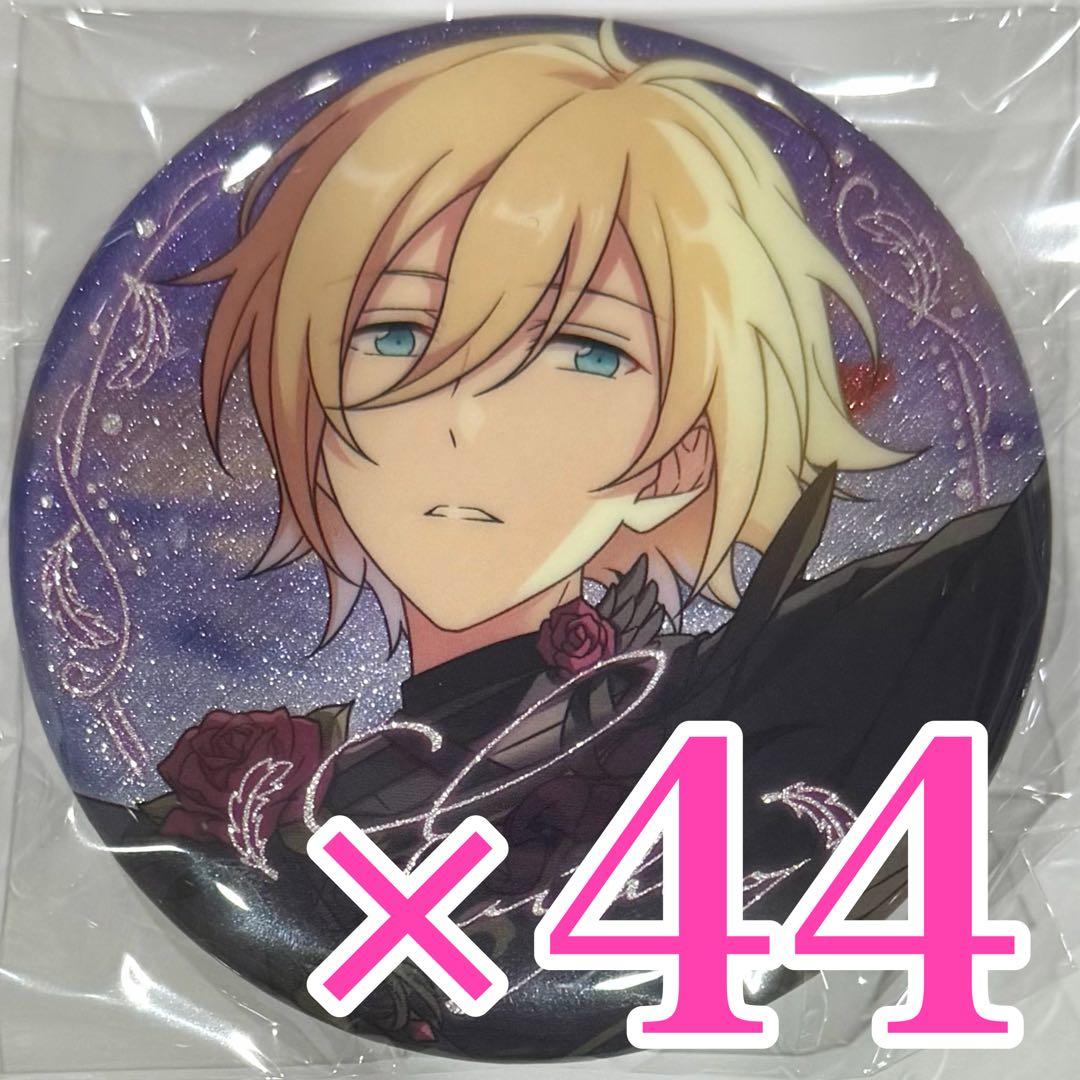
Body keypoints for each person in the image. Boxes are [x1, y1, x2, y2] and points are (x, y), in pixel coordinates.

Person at [80, 24, 1049, 1059]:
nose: (466, 416)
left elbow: (984, 572)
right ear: (314, 420)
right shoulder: (281, 826)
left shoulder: (765, 685)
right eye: (397, 333)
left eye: (586, 350)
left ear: (683, 450)